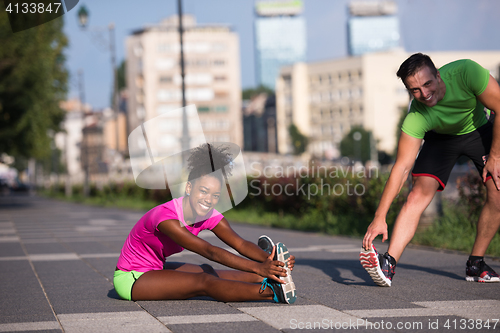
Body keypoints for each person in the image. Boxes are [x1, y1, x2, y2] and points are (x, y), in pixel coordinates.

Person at [360, 53, 500, 286]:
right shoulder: (417, 115)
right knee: (417, 194)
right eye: (415, 90)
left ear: (438, 74)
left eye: (427, 84)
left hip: (479, 130)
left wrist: (495, 156)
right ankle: (388, 263)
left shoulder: (467, 72)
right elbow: (402, 167)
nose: (424, 94)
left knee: (497, 192)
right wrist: (379, 217)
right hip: (440, 140)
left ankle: (476, 264)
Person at [114, 143, 297, 303]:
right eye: (203, 191)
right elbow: (209, 251)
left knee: (208, 270)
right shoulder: (166, 217)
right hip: (132, 278)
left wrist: (272, 262)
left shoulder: (207, 214)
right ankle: (272, 292)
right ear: (188, 187)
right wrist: (258, 266)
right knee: (204, 281)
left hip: (156, 267)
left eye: (215, 195)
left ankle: (269, 279)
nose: (208, 200)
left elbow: (239, 243)